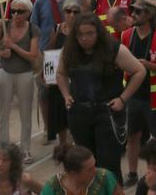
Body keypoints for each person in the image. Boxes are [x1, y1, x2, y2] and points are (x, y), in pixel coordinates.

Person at [56, 13, 146, 184]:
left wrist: (122, 99)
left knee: (108, 164)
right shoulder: (69, 50)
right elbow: (60, 73)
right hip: (80, 112)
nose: (84, 38)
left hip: (107, 113)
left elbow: (139, 71)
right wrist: (66, 95)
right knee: (83, 163)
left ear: (98, 32)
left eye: (90, 33)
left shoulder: (113, 48)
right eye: (80, 34)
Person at [120, 0, 156, 187]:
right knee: (132, 136)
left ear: (149, 15)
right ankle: (133, 174)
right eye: (132, 10)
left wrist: (149, 66)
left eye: (138, 11)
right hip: (133, 96)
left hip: (154, 99)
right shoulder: (126, 36)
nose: (133, 14)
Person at [0, 0, 39, 164]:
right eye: (13, 11)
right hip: (5, 72)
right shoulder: (4, 26)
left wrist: (14, 47)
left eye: (20, 11)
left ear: (28, 13)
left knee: (26, 113)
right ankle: (3, 147)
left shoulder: (33, 29)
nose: (16, 14)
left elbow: (32, 55)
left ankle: (25, 149)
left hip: (25, 74)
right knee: (3, 112)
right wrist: (1, 52)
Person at [43, 0, 80, 148]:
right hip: (59, 76)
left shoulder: (82, 30)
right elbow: (50, 49)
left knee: (74, 110)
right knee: (58, 110)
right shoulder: (57, 29)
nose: (71, 14)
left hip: (76, 76)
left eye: (75, 11)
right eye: (68, 11)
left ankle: (75, 143)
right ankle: (63, 144)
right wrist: (46, 73)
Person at [41, 144, 123, 195]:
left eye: (94, 165)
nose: (95, 170)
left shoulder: (105, 177)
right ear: (73, 173)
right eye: (89, 169)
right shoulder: (53, 187)